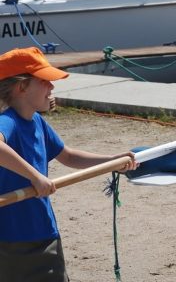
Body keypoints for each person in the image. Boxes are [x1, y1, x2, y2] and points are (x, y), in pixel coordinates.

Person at [0, 47, 137, 282]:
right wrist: (35, 176)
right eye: (45, 81)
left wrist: (111, 161)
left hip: (43, 228)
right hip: (16, 237)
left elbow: (69, 156)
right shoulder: (8, 122)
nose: (52, 87)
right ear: (22, 87)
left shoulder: (37, 122)